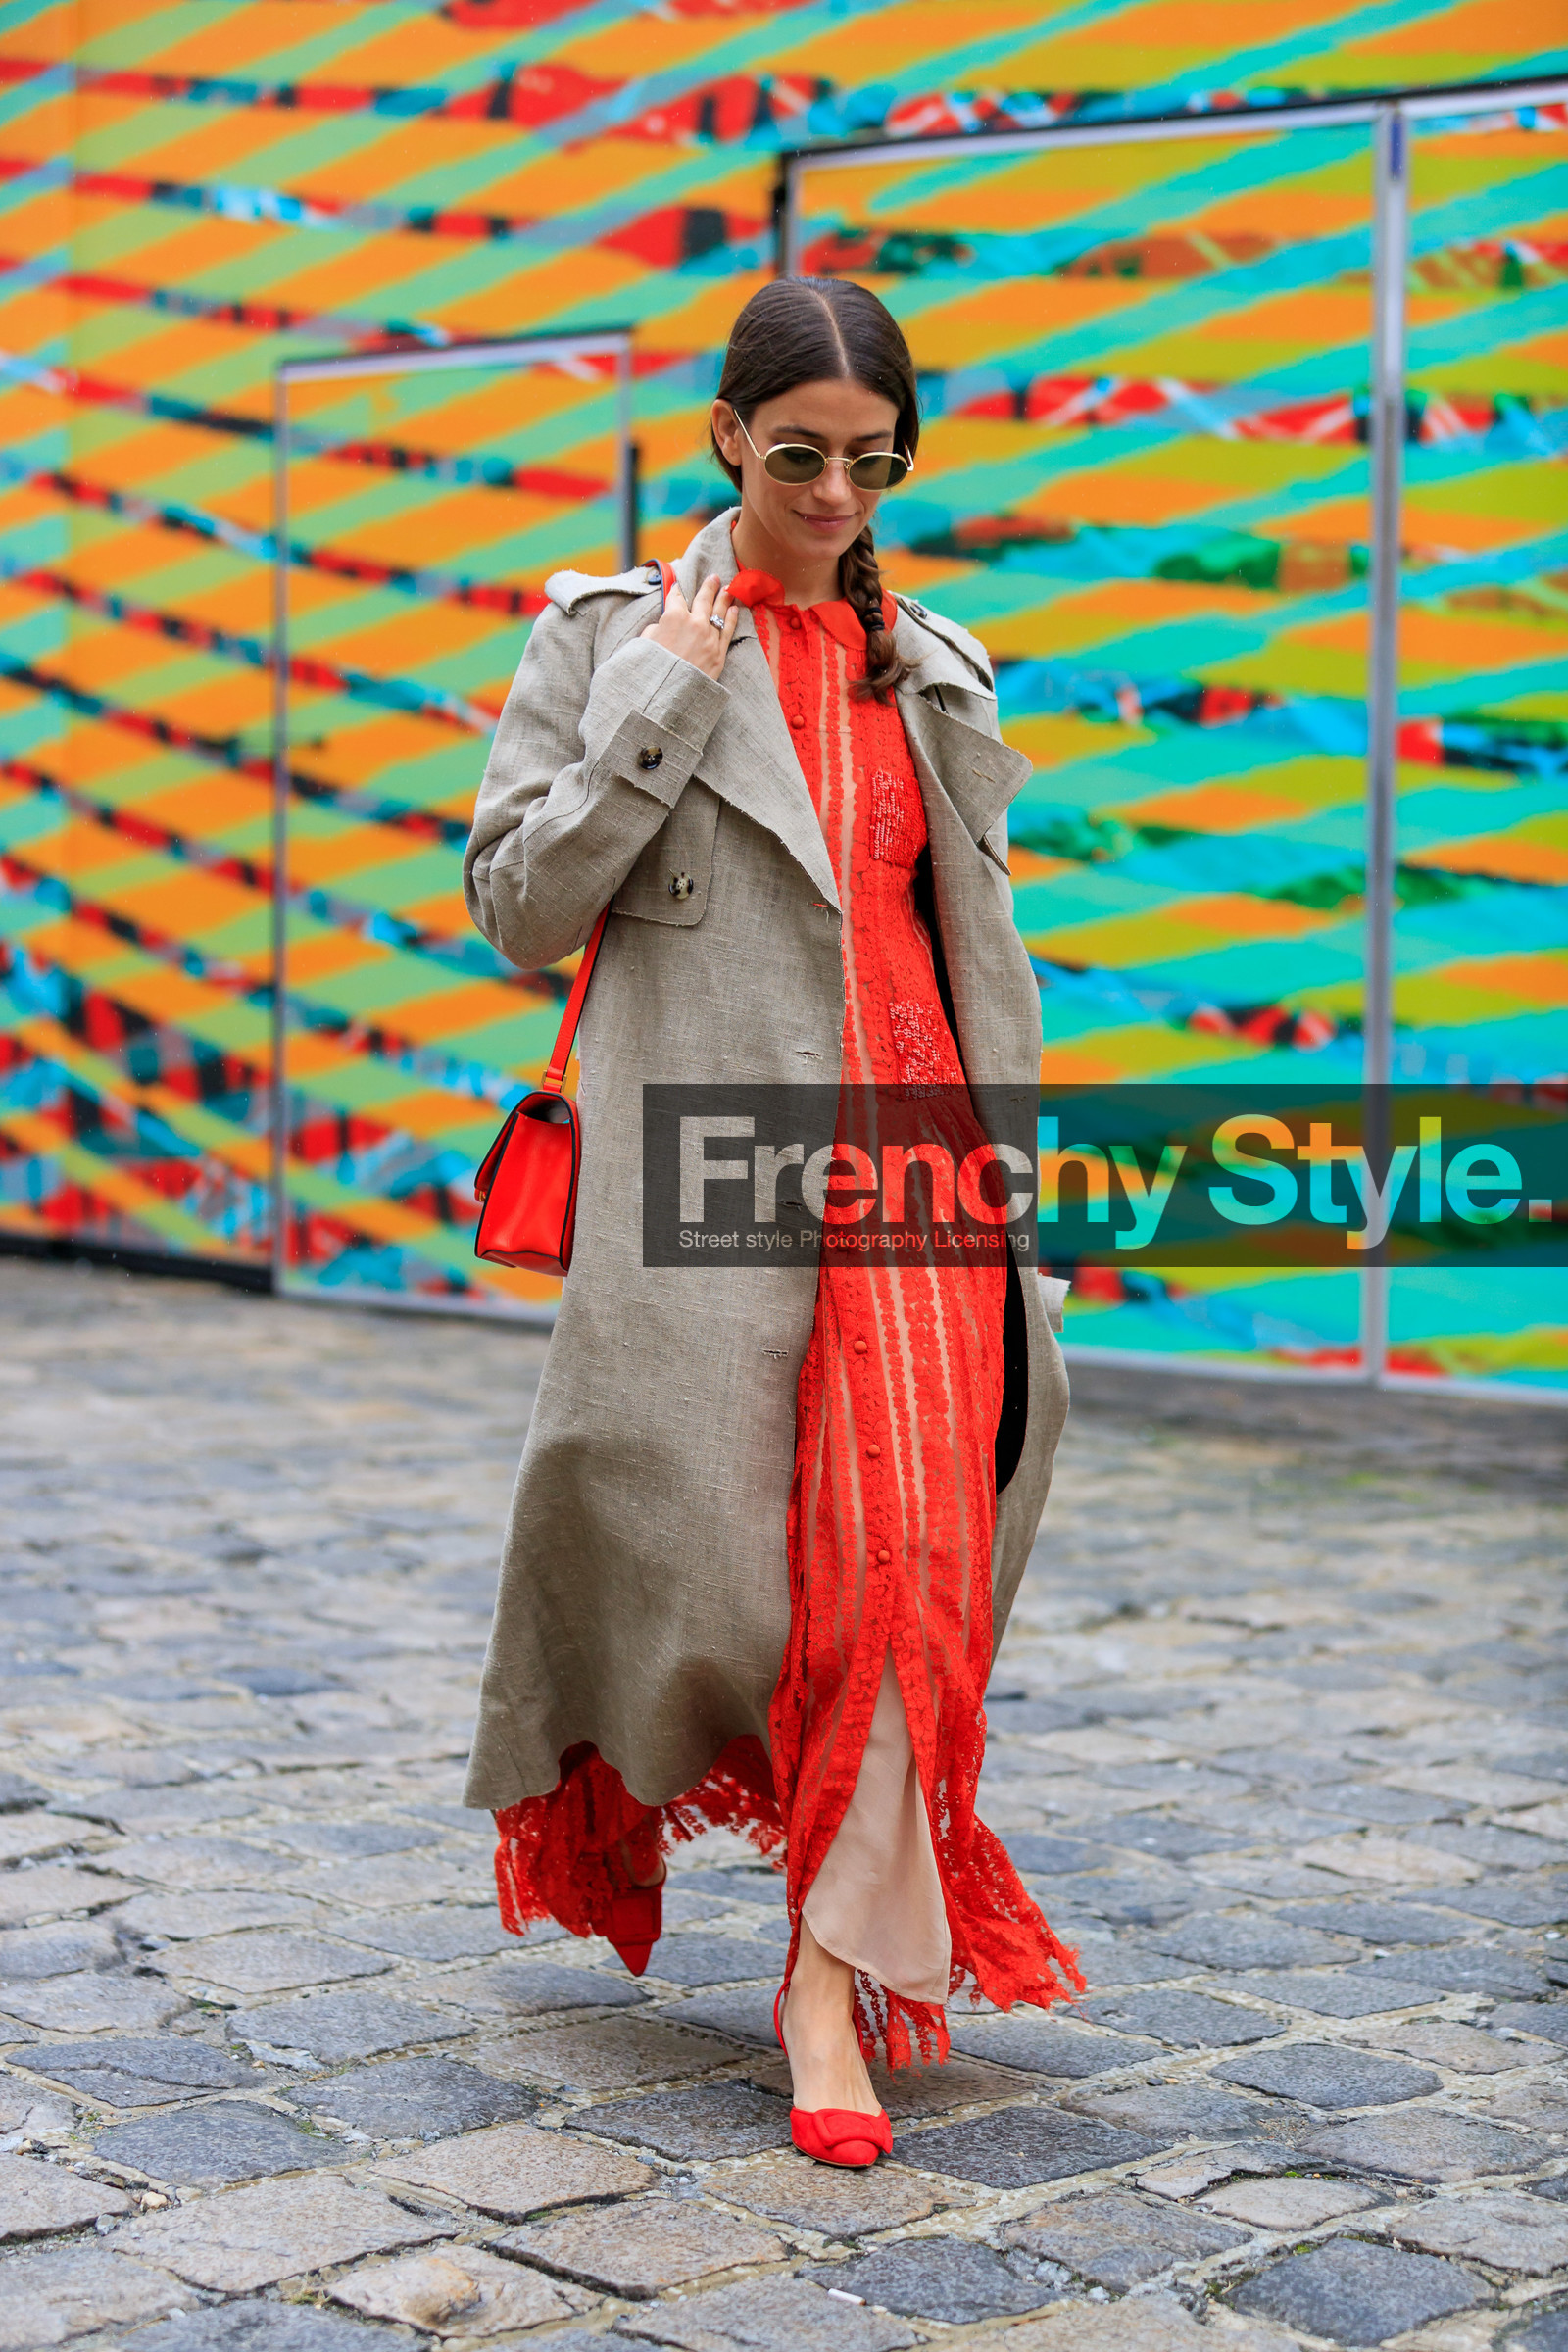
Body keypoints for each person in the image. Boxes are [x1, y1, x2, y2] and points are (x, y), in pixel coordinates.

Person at [463, 276, 1081, 2168]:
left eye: (869, 461)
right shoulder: (600, 636)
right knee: (745, 1583)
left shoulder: (938, 656)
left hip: (919, 1180)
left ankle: (832, 1980)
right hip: (715, 1186)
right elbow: (518, 910)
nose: (833, 492)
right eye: (797, 454)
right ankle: (801, 1905)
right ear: (729, 436)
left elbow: (966, 935)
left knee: (908, 1570)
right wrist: (675, 685)